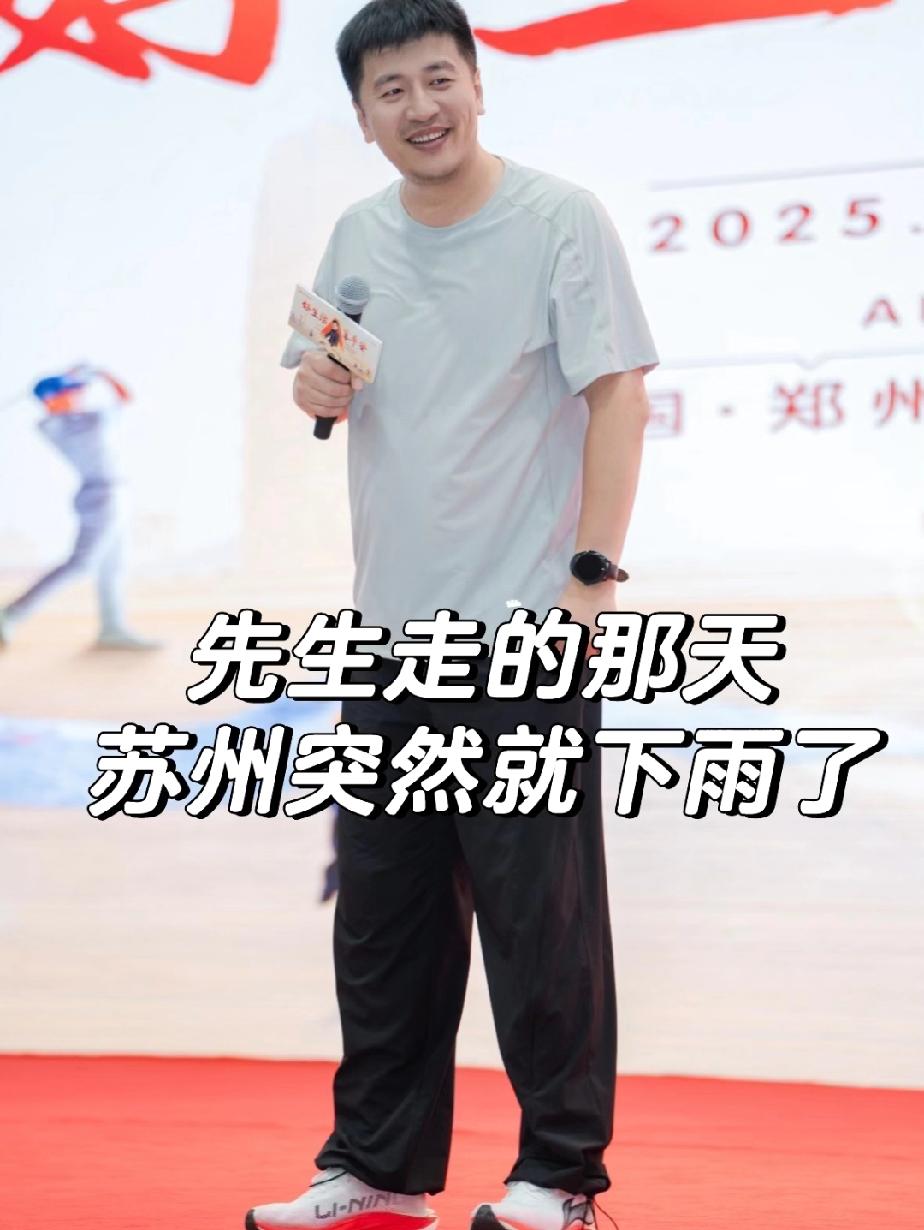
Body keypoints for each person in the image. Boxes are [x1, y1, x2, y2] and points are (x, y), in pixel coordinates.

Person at [251, 3, 659, 1228]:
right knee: (386, 923)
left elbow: (619, 396)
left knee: (542, 921)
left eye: (439, 79)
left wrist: (592, 578)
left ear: (479, 84)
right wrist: (317, 386)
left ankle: (560, 1179)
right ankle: (378, 1168)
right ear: (363, 116)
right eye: (392, 90)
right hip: (390, 638)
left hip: (527, 631)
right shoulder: (357, 235)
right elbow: (326, 385)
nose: (421, 107)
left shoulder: (558, 219)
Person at [0, 363, 160, 652]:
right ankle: (10, 615)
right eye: (70, 393)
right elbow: (122, 400)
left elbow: (125, 399)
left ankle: (112, 628)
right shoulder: (59, 426)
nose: (78, 396)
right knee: (81, 564)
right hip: (101, 495)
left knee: (112, 568)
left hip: (116, 493)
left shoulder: (82, 418)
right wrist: (87, 375)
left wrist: (96, 374)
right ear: (51, 400)